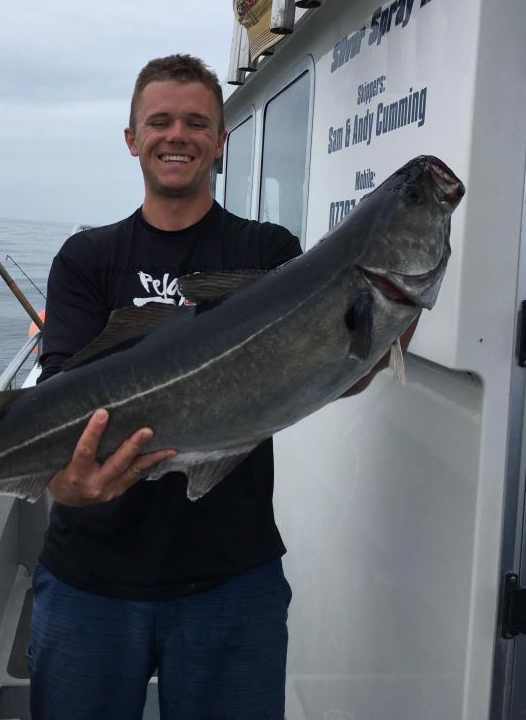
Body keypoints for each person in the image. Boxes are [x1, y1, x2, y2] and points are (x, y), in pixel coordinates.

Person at [29, 54, 417, 720]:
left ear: (219, 141)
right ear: (132, 139)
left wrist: (379, 331)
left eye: (195, 123)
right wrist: (58, 484)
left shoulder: (266, 253)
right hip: (89, 577)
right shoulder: (87, 258)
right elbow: (59, 389)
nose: (175, 135)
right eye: (158, 121)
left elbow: (328, 377)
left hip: (231, 577)